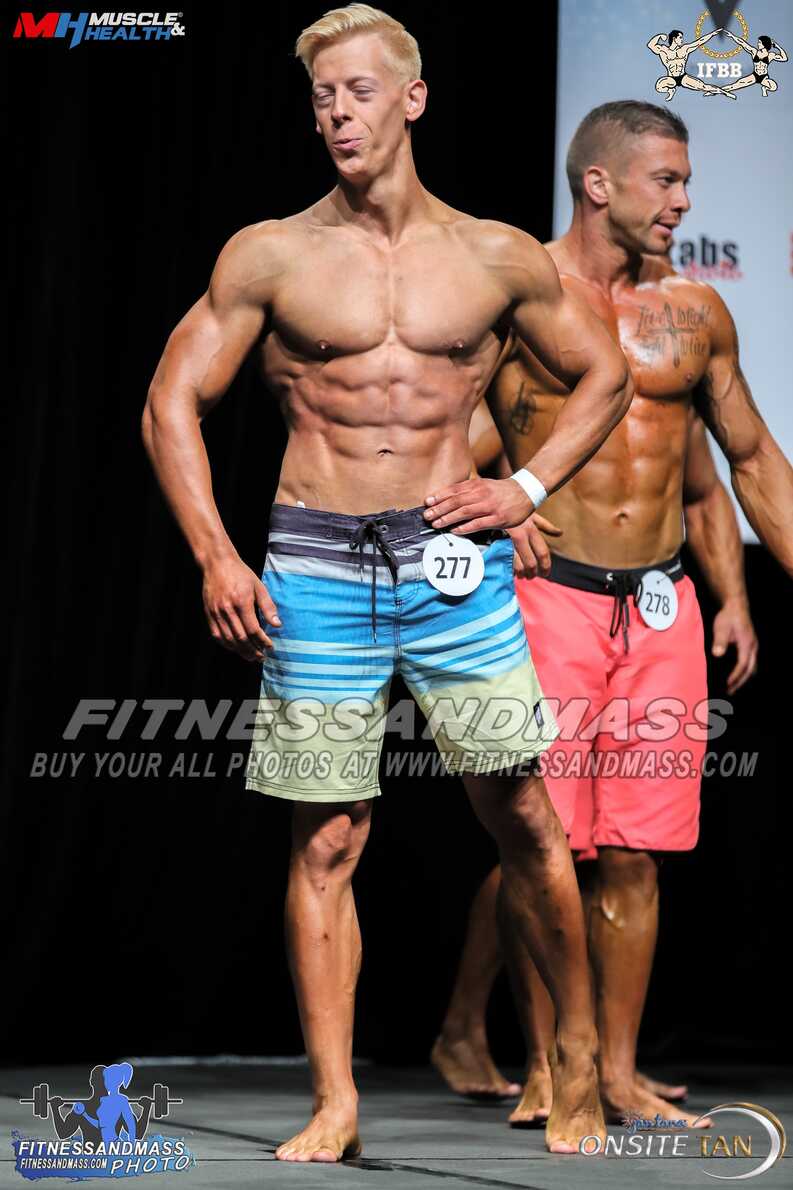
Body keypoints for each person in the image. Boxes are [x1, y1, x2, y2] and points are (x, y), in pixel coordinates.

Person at [141, 4, 632, 1163]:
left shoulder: (495, 255)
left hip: (452, 559)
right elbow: (171, 400)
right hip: (315, 562)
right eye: (321, 96)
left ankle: (572, 1055)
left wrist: (524, 487)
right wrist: (215, 552)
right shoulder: (269, 254)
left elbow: (604, 373)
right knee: (326, 840)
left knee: (524, 814)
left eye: (357, 91)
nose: (336, 114)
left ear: (411, 99)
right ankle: (336, 1099)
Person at [433, 99, 793, 1129]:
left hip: (658, 607)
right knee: (542, 842)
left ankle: (621, 1068)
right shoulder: (520, 298)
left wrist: (742, 590)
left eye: (685, 181)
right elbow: (442, 440)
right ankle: (557, 1060)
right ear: (598, 183)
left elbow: (749, 460)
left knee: (637, 851)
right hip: (546, 598)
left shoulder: (694, 314)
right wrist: (496, 511)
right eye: (664, 180)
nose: (682, 200)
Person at [647, 29, 735, 100]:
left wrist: (712, 34)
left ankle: (725, 93)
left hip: (683, 77)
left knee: (704, 87)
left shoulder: (684, 49)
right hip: (671, 78)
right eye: (680, 37)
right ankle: (671, 91)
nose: (682, 40)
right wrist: (660, 36)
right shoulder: (664, 50)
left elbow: (699, 42)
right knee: (659, 87)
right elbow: (650, 45)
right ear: (674, 38)